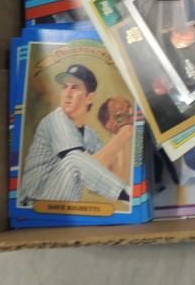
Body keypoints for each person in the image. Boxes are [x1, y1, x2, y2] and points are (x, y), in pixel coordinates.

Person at [20, 64, 132, 204]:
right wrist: (122, 137)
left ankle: (130, 196)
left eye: (74, 87)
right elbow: (80, 167)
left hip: (58, 201)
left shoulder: (91, 135)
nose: (67, 93)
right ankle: (131, 196)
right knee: (73, 159)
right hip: (32, 201)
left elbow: (109, 175)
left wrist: (117, 133)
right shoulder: (55, 120)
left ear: (89, 97)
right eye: (64, 87)